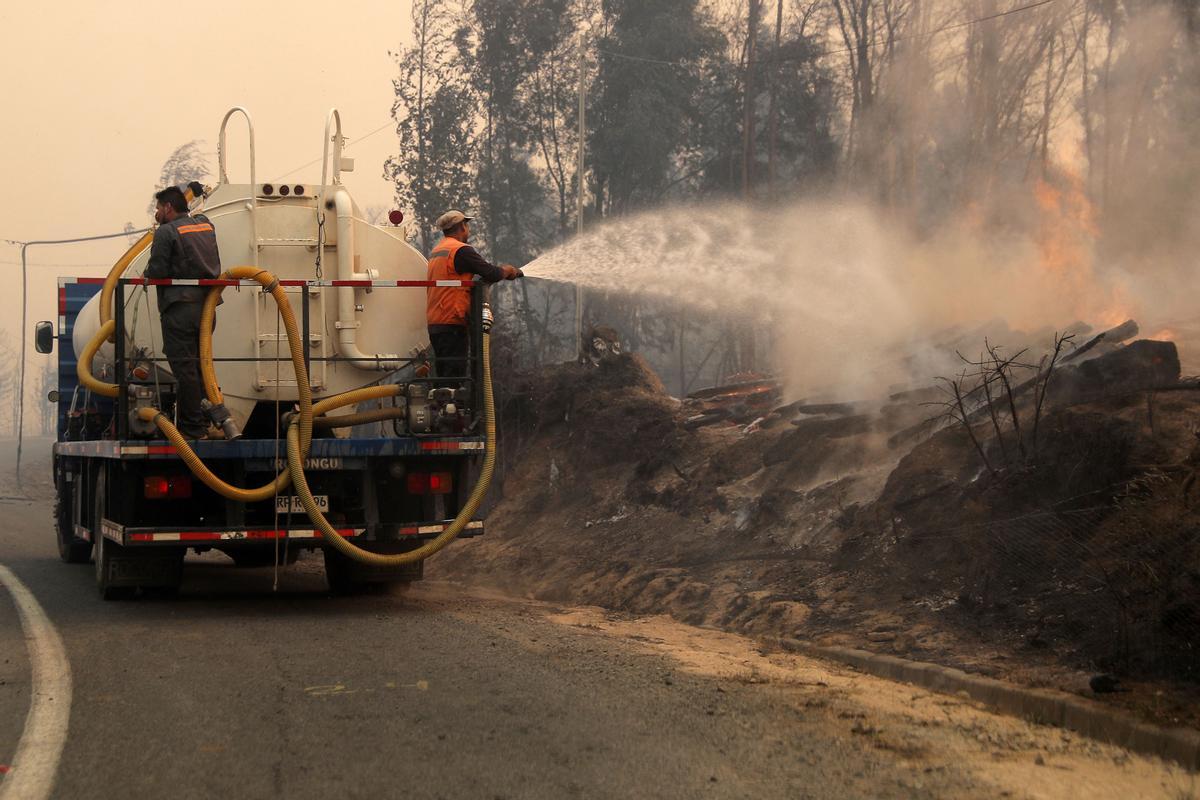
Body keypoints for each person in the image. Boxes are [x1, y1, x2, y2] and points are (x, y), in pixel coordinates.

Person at [144, 186, 223, 439]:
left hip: (179, 309)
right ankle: (211, 415)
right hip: (207, 308)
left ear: (168, 207)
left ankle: (193, 428)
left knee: (185, 368)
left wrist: (148, 271)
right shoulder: (205, 225)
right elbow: (198, 218)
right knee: (202, 366)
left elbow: (156, 271)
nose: (156, 213)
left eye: (158, 208)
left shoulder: (166, 232)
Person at [426, 210, 522, 378]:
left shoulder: (438, 251)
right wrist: (509, 270)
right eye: (467, 225)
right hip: (452, 321)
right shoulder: (460, 251)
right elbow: (491, 273)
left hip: (435, 322)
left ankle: (441, 403)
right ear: (462, 226)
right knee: (454, 377)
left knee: (443, 375)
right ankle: (449, 402)